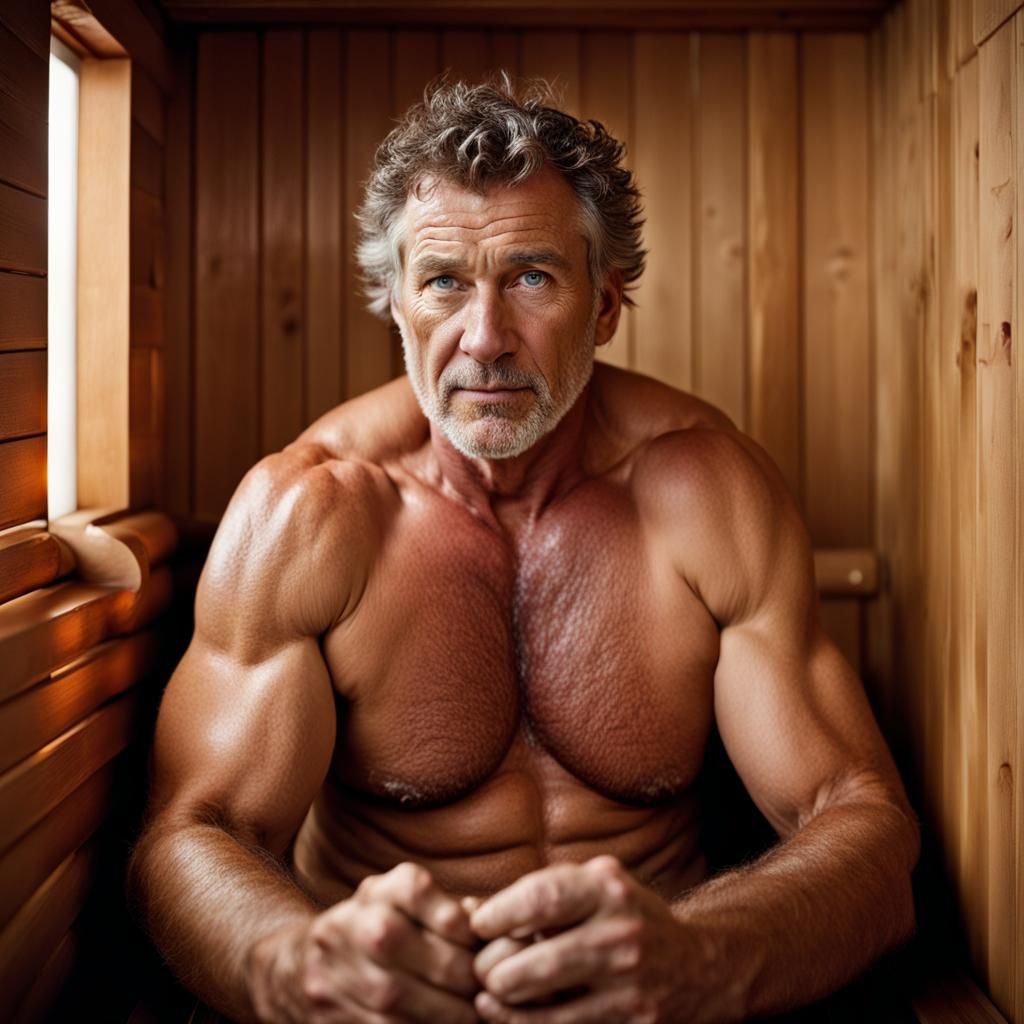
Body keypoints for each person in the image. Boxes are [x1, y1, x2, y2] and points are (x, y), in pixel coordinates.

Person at [128, 77, 920, 1024]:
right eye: (444, 282)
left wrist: (704, 958)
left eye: (532, 278)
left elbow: (869, 827)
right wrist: (290, 965)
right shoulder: (311, 514)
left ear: (606, 305)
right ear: (396, 303)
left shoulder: (707, 496)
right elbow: (188, 835)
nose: (486, 338)